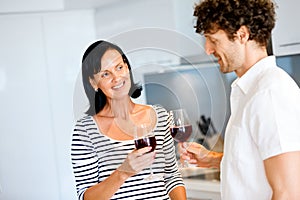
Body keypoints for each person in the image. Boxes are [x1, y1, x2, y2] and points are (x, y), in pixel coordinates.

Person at [180, 0, 300, 199]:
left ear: (242, 35)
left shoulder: (269, 93)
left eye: (213, 40)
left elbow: (289, 191)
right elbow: (255, 164)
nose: (208, 49)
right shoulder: (250, 90)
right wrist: (213, 160)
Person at [71, 40, 186, 200]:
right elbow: (85, 196)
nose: (117, 78)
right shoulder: (85, 131)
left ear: (127, 67)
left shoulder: (159, 116)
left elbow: (172, 176)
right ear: (93, 82)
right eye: (105, 74)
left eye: (119, 67)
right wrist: (123, 173)